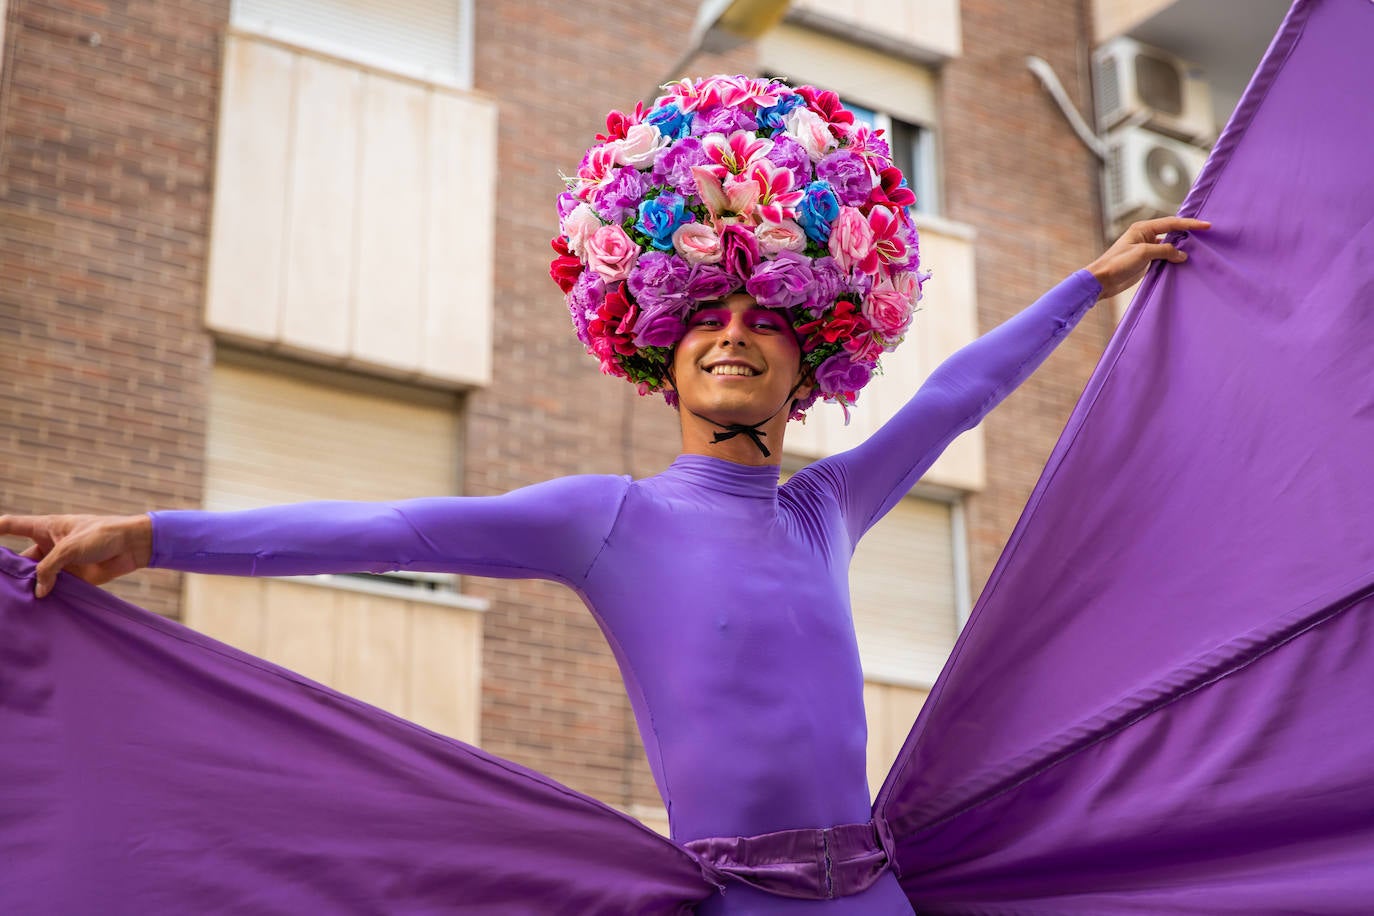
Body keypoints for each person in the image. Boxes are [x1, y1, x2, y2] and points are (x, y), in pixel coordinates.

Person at [0, 75, 1207, 913]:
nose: (733, 335)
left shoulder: (827, 506)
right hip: (731, 901)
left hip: (878, 896)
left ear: (813, 357)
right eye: (705, 318)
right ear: (658, 347)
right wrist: (152, 534)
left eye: (764, 319)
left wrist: (1087, 287)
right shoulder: (605, 521)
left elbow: (956, 395)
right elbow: (378, 526)